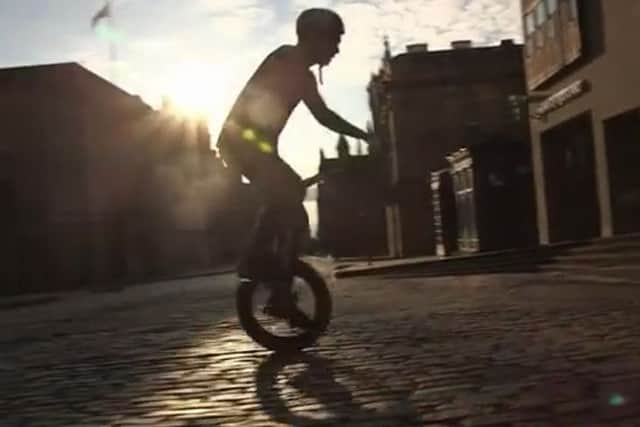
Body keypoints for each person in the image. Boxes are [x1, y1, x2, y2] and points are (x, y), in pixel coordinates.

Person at [216, 8, 370, 323]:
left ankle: (276, 287)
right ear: (315, 37)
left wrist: (360, 135)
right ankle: (258, 263)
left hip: (249, 146)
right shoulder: (287, 61)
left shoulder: (299, 70)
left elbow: (323, 115)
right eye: (335, 40)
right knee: (289, 200)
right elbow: (320, 116)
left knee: (290, 200)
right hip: (243, 144)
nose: (337, 49)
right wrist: (363, 135)